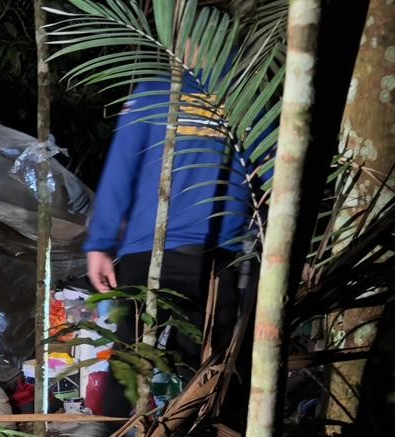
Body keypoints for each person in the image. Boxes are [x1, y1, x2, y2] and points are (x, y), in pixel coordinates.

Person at [83, 69, 264, 417]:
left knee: (129, 359)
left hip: (148, 251)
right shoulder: (247, 100)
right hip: (216, 258)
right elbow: (270, 174)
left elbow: (121, 171)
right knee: (210, 365)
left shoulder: (153, 92)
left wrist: (100, 243)